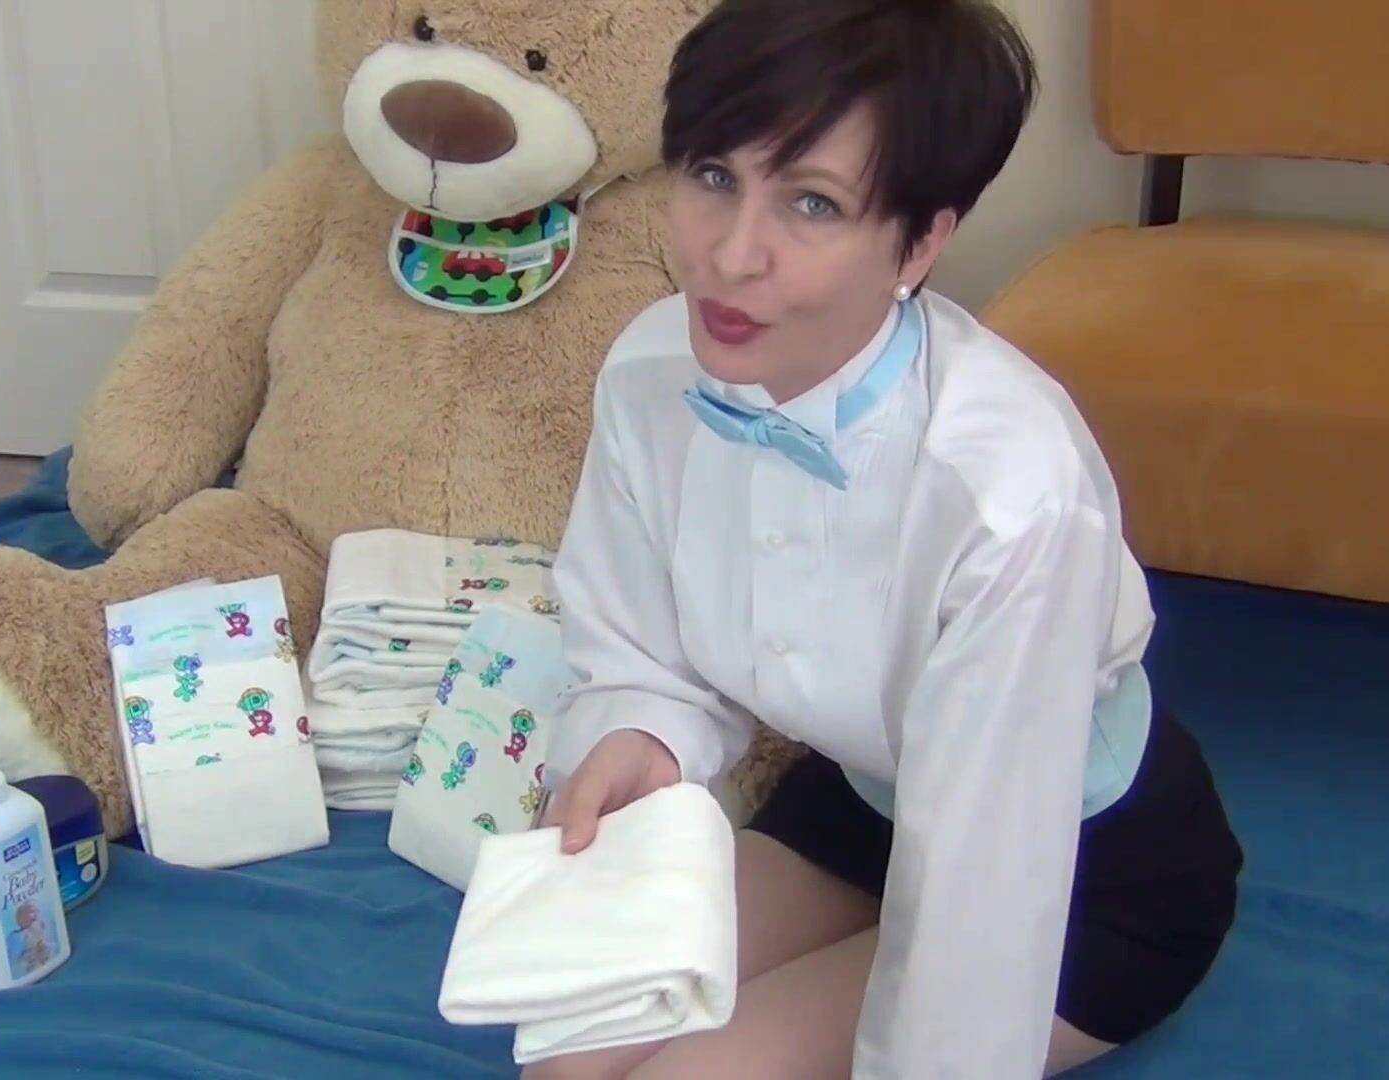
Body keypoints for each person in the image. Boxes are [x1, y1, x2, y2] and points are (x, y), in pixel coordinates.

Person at [530, 1, 1244, 1076]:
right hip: (862, 800)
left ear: (920, 241)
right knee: (565, 1058)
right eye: (715, 175)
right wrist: (646, 735)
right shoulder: (650, 374)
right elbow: (638, 645)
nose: (731, 255)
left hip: (1081, 874)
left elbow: (983, 902)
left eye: (812, 203)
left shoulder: (1009, 496)